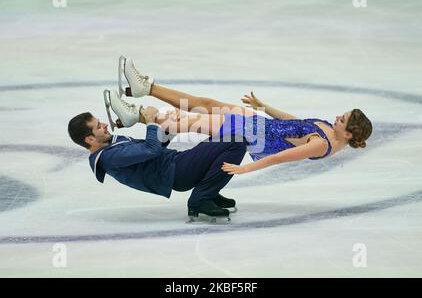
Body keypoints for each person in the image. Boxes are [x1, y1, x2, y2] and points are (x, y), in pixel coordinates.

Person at [108, 57, 372, 176]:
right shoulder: (328, 131)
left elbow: (278, 157)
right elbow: (296, 123)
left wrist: (246, 168)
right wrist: (264, 106)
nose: (337, 116)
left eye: (342, 119)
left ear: (348, 134)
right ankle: (146, 88)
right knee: (204, 103)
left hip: (253, 134)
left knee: (185, 121)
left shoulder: (321, 145)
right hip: (260, 124)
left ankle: (137, 116)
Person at [67, 105, 247, 222]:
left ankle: (209, 191)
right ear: (90, 139)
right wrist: (151, 123)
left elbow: (154, 148)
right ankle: (201, 199)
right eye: (99, 126)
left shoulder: (111, 146)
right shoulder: (109, 157)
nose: (105, 124)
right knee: (236, 141)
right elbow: (150, 150)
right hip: (178, 171)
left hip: (177, 165)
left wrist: (170, 127)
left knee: (223, 135)